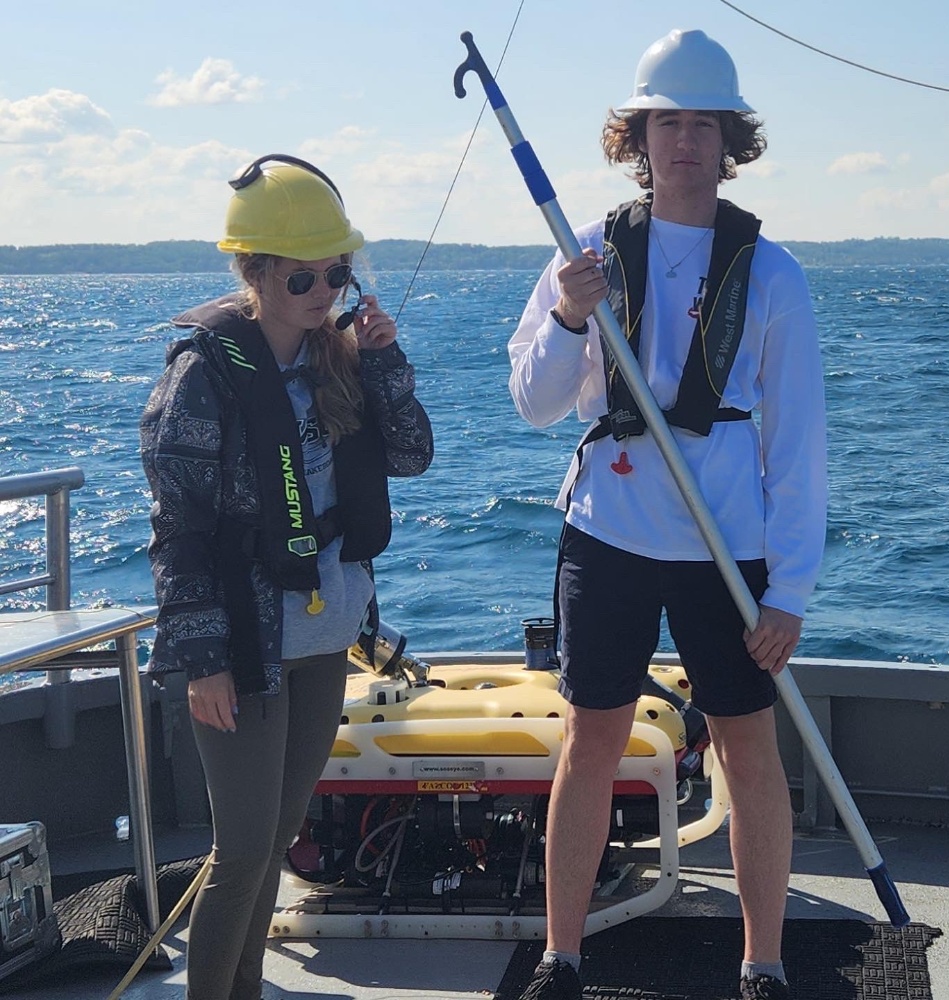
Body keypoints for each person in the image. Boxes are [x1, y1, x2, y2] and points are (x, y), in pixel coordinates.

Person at [507, 29, 826, 1000]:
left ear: (730, 140)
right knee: (590, 739)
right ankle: (563, 955)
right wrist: (568, 318)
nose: (683, 140)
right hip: (605, 532)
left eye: (702, 124)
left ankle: (761, 961)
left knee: (746, 744)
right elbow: (532, 400)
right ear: (635, 136)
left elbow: (800, 447)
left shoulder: (772, 276)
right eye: (665, 121)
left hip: (727, 550)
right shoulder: (586, 256)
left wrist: (791, 593)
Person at [140, 154, 433, 1000]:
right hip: (241, 642)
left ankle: (245, 989)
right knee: (241, 845)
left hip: (324, 633)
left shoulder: (338, 357)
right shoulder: (201, 378)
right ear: (255, 272)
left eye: (337, 273)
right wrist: (202, 662)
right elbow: (179, 532)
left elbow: (411, 455)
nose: (325, 291)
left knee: (281, 834)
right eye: (305, 276)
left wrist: (383, 360)